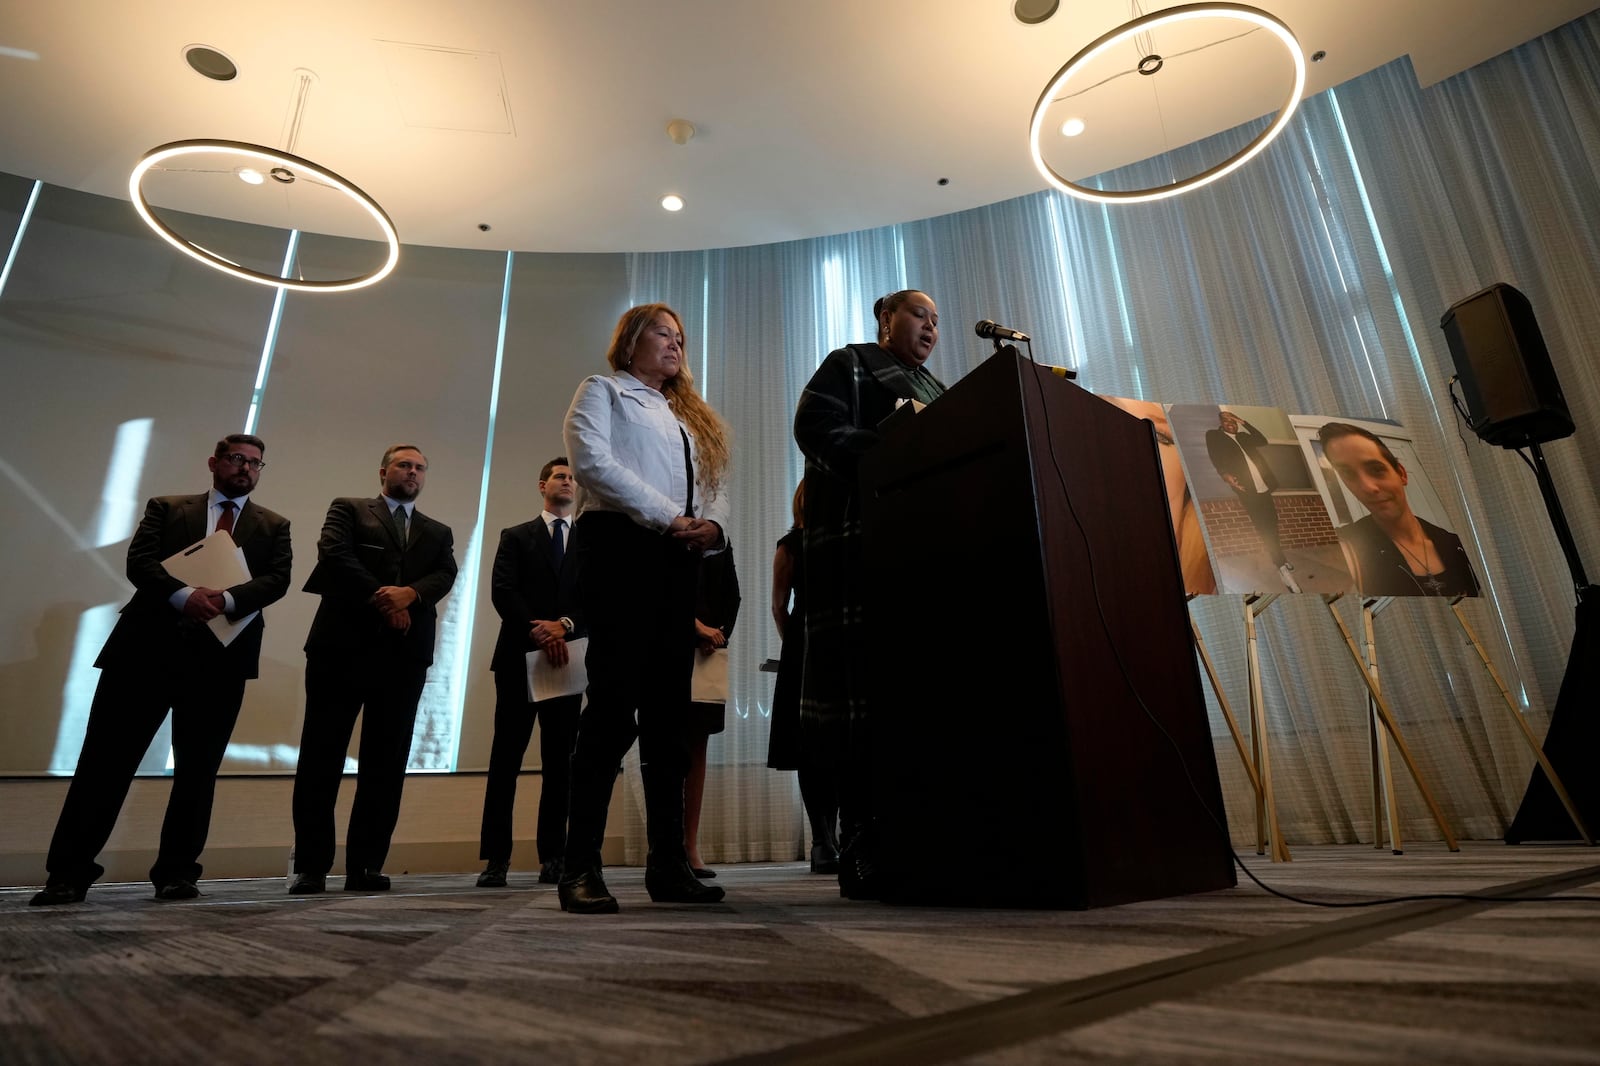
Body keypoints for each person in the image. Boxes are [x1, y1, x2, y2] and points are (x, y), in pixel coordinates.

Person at [30, 434, 293, 906]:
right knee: (104, 766)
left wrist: (226, 600)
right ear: (214, 462)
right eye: (236, 459)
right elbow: (139, 562)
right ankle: (68, 874)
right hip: (144, 655)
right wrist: (182, 596)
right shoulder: (168, 507)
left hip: (220, 663)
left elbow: (278, 579)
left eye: (255, 463)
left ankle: (176, 874)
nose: (245, 468)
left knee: (197, 773)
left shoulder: (274, 525)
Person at [557, 302, 733, 914]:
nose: (675, 342)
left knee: (668, 718)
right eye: (663, 332)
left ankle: (668, 867)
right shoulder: (602, 390)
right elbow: (591, 463)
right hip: (620, 550)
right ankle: (579, 866)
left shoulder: (687, 419)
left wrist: (713, 529)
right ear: (630, 339)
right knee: (610, 709)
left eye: (681, 336)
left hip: (677, 558)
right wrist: (670, 517)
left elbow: (714, 490)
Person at [793, 289, 946, 899]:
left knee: (916, 701)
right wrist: (892, 450)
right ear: (886, 320)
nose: (931, 326)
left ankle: (925, 838)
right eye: (919, 315)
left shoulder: (940, 389)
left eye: (937, 321)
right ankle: (861, 844)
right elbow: (815, 427)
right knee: (865, 702)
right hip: (862, 551)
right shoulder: (850, 364)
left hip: (925, 558)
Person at [289, 444, 458, 894]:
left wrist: (412, 596)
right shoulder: (348, 509)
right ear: (383, 471)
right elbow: (335, 555)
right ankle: (310, 866)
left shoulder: (438, 531)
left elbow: (445, 574)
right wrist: (387, 599)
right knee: (321, 757)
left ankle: (365, 865)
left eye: (420, 467)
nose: (412, 472)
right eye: (404, 465)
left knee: (386, 763)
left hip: (404, 657)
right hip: (339, 649)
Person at [476, 457, 585, 889]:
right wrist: (540, 630)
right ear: (542, 485)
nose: (568, 482)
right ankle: (496, 858)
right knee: (506, 759)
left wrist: (566, 627)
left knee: (561, 763)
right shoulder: (516, 536)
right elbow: (503, 591)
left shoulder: (589, 542)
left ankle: (553, 857)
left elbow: (596, 598)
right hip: (519, 657)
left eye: (574, 477)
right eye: (560, 476)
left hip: (568, 660)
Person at [767, 479, 840, 874]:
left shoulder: (797, 545)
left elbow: (780, 608)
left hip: (811, 640)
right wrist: (794, 648)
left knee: (829, 743)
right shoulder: (791, 544)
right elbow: (778, 605)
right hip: (812, 643)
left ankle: (829, 839)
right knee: (813, 745)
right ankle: (823, 839)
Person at [1317, 422, 1481, 598]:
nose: (1367, 487)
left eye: (1376, 470)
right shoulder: (1344, 547)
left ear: (1401, 474)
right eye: (1348, 474)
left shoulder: (1455, 545)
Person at [684, 542, 740, 878]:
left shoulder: (720, 540)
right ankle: (664, 844)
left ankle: (690, 844)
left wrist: (715, 634)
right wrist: (694, 627)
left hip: (706, 654)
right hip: (666, 646)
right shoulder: (664, 525)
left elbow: (732, 596)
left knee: (697, 746)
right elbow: (658, 588)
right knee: (664, 746)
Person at [1205, 408, 1300, 593]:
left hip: (1264, 487)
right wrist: (1224, 474)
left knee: (1272, 523)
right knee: (1264, 528)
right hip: (1247, 490)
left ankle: (1280, 558)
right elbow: (1215, 457)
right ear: (1220, 422)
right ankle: (1282, 569)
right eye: (1226, 420)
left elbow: (1262, 440)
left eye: (1233, 420)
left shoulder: (1243, 437)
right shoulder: (1214, 436)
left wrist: (1243, 421)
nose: (1230, 423)